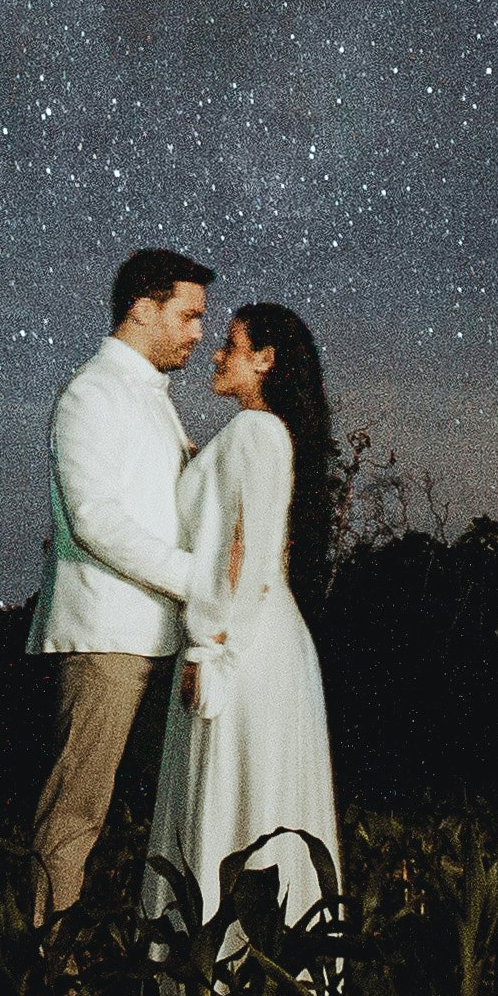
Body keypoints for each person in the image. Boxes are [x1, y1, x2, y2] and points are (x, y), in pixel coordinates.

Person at [148, 300, 342, 962]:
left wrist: (209, 645)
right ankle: (249, 983)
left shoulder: (257, 433)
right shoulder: (256, 435)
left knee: (235, 799)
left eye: (230, 343)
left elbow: (248, 554)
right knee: (247, 800)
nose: (216, 353)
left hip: (241, 642)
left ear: (264, 359)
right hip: (254, 638)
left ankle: (226, 983)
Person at [28, 246, 209, 921]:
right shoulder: (91, 392)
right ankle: (48, 969)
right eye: (187, 315)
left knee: (149, 814)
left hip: (158, 633)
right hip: (107, 635)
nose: (198, 333)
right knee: (76, 811)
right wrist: (197, 578)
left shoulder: (150, 396)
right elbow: (94, 518)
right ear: (142, 308)